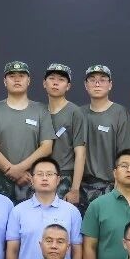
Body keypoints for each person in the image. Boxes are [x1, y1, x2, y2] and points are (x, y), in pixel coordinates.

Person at [0, 60, 54, 202]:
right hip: (0, 180)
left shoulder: (41, 110)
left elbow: (46, 147)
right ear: (5, 81)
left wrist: (19, 169)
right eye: (12, 76)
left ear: (28, 81)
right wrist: (10, 170)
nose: (17, 79)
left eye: (21, 76)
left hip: (31, 180)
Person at [6, 157, 83, 259]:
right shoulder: (18, 211)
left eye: (49, 174)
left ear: (58, 180)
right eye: (40, 174)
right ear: (32, 179)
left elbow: (76, 251)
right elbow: (12, 251)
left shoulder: (71, 211)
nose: (45, 178)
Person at [79, 65, 130, 213]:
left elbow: (126, 153)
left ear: (110, 85)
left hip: (111, 186)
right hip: (82, 187)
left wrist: (120, 185)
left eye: (102, 80)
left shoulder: (119, 113)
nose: (97, 84)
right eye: (92, 80)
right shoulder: (78, 113)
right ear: (86, 85)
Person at [42, 63, 86, 205]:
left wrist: (75, 189)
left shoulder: (75, 112)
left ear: (68, 86)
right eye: (51, 78)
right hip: (40, 176)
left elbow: (80, 152)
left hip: (64, 176)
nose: (55, 83)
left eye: (61, 80)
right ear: (44, 83)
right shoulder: (39, 111)